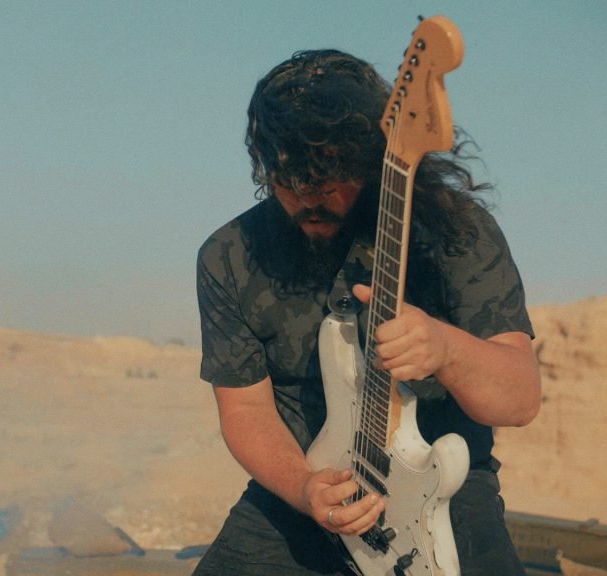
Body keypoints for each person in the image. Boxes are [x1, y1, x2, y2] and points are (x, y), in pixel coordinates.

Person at [193, 49, 541, 575]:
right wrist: (304, 487)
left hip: (441, 494)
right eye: (291, 180)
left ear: (372, 156)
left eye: (331, 177)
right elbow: (245, 409)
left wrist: (445, 349)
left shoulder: (456, 233)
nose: (312, 198)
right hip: (302, 489)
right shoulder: (230, 256)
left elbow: (519, 398)